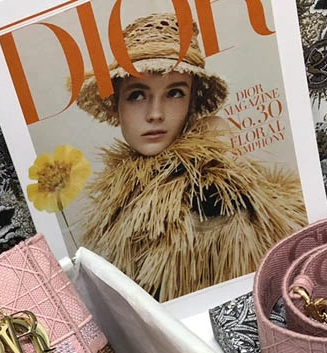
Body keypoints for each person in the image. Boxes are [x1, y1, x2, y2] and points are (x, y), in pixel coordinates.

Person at [77, 13, 307, 302]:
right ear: (117, 105)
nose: (155, 114)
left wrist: (213, 164)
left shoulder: (209, 179)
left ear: (192, 102)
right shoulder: (118, 191)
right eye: (137, 95)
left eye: (174, 93)